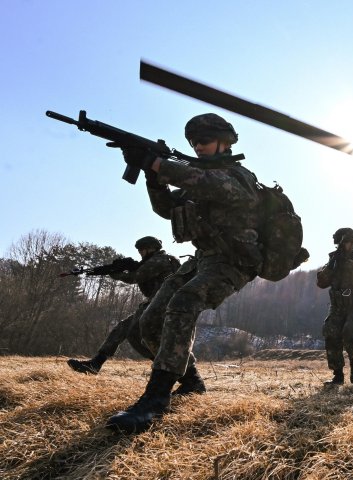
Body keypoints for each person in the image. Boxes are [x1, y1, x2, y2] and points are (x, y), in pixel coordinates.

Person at [106, 113, 263, 433]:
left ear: (224, 142)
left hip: (233, 260)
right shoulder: (196, 178)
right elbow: (166, 208)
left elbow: (208, 184)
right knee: (149, 322)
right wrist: (151, 174)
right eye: (193, 142)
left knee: (185, 300)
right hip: (202, 259)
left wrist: (156, 163)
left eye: (203, 141)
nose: (197, 146)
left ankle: (154, 401)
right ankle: (192, 383)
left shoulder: (238, 175)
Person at [67, 236, 180, 375]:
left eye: (142, 250)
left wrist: (117, 274)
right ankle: (96, 363)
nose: (140, 253)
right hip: (156, 304)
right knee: (125, 330)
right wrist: (109, 270)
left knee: (137, 334)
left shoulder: (159, 261)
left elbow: (136, 276)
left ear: (151, 248)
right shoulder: (153, 261)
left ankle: (168, 368)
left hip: (162, 304)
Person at [316, 227, 353, 385]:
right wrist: (331, 266)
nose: (345, 245)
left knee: (349, 331)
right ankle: (337, 375)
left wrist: (349, 264)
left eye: (347, 242)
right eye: (342, 243)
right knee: (330, 332)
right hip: (338, 306)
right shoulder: (334, 261)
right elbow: (322, 283)